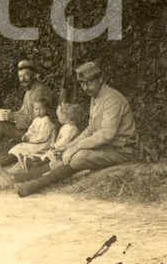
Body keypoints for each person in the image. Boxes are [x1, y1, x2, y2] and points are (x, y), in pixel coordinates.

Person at [8, 62, 138, 197]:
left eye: (90, 82)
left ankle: (34, 185)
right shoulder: (96, 98)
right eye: (82, 83)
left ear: (100, 79)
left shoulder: (112, 99)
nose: (86, 87)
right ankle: (20, 178)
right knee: (66, 152)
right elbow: (90, 129)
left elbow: (107, 134)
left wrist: (76, 147)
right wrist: (69, 146)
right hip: (107, 147)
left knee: (79, 156)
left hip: (121, 150)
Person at [0, 97, 57, 185]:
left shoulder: (46, 121)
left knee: (23, 148)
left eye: (41, 109)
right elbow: (30, 130)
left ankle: (5, 165)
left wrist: (30, 139)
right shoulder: (36, 120)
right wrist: (26, 136)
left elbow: (43, 137)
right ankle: (0, 163)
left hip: (42, 144)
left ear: (46, 109)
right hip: (34, 142)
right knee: (18, 147)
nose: (38, 111)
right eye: (36, 109)